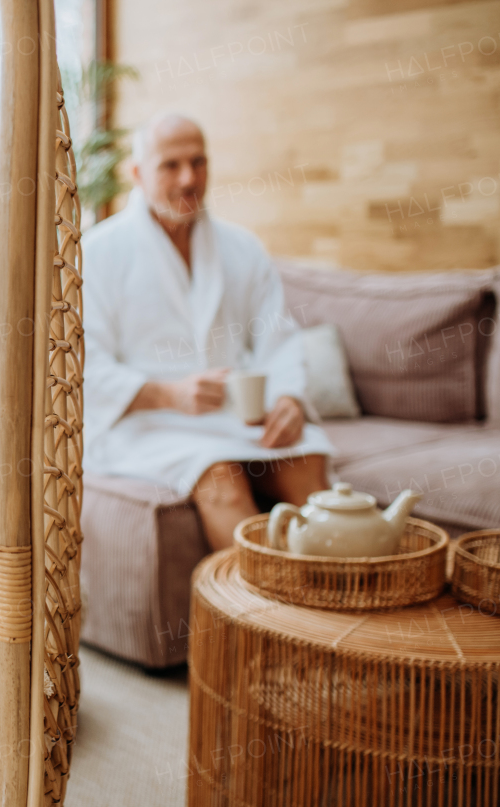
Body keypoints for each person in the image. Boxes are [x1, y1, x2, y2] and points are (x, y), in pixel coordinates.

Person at [83, 113, 333, 551]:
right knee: (223, 480)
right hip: (148, 424)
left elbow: (279, 337)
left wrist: (290, 398)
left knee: (308, 465)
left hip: (234, 417)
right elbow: (82, 363)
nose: (188, 178)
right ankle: (268, 614)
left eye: (198, 163)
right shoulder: (99, 253)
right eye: (170, 165)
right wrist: (168, 394)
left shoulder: (242, 247)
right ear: (139, 174)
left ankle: (336, 600)